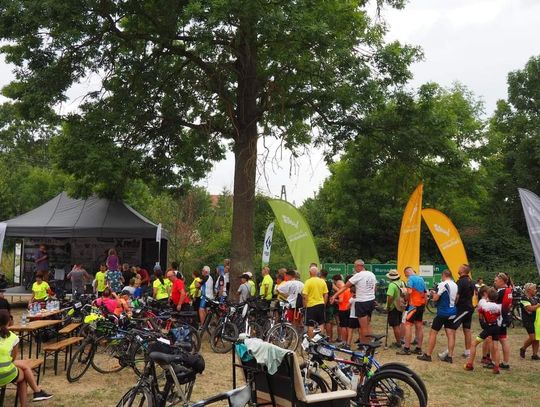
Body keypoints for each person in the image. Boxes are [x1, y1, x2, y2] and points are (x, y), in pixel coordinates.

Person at [0, 310, 53, 403]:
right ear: (9, 321)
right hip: (5, 374)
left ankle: (38, 392)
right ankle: (36, 393)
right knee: (23, 375)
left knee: (23, 366)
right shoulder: (13, 337)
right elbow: (12, 358)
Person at [417, 269, 458, 363]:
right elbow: (456, 298)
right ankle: (450, 357)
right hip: (452, 311)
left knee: (433, 333)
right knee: (450, 334)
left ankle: (428, 355)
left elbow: (435, 298)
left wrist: (433, 293)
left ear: (444, 275)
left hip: (443, 312)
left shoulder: (442, 284)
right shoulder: (455, 284)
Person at [331, 259, 377, 343]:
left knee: (363, 327)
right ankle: (370, 342)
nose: (354, 269)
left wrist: (334, 296)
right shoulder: (372, 274)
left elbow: (345, 286)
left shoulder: (358, 275)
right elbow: (374, 288)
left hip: (362, 302)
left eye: (355, 267)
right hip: (370, 301)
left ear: (359, 266)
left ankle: (366, 345)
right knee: (367, 324)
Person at [465, 287, 501, 374]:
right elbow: (498, 316)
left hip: (488, 328)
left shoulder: (485, 305)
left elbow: (480, 314)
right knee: (496, 348)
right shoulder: (498, 307)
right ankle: (496, 367)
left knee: (474, 344)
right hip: (496, 327)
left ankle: (470, 364)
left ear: (487, 296)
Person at [396, 267, 426, 356]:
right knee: (419, 326)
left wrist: (405, 299)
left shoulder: (410, 279)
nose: (406, 277)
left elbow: (409, 292)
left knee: (408, 325)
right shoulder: (421, 279)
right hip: (421, 305)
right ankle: (419, 348)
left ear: (407, 272)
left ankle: (407, 348)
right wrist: (424, 305)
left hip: (413, 306)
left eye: (406, 275)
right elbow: (425, 293)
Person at [302, 266, 328, 337]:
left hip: (311, 306)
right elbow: (326, 294)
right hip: (321, 304)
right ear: (317, 273)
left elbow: (305, 295)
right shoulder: (322, 281)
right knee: (321, 323)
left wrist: (305, 305)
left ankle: (311, 340)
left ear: (309, 273)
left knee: (311, 325)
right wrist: (324, 304)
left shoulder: (308, 282)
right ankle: (320, 339)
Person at [494, 272, 513, 369]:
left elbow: (496, 305)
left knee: (495, 339)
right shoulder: (508, 289)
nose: (495, 282)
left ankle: (494, 362)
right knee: (503, 339)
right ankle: (505, 362)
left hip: (500, 318)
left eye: (496, 280)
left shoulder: (501, 291)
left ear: (501, 281)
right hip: (505, 317)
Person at [385, 269, 406, 348]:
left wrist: (388, 306)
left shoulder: (392, 285)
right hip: (401, 306)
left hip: (393, 307)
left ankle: (398, 342)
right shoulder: (402, 282)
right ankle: (401, 339)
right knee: (399, 324)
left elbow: (390, 297)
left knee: (395, 325)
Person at [519, 282, 540, 360]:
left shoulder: (536, 298)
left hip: (536, 320)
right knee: (532, 338)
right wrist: (538, 305)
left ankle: (535, 355)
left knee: (537, 338)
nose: (536, 290)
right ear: (529, 290)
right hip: (528, 320)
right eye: (534, 289)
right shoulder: (524, 298)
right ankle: (523, 348)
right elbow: (530, 308)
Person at [333, 274, 350, 345]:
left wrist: (334, 300)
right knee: (348, 326)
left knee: (343, 326)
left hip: (342, 309)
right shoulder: (348, 289)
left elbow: (340, 300)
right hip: (348, 309)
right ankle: (348, 341)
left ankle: (344, 341)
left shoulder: (341, 291)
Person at [321, 269, 336, 341]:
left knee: (321, 322)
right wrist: (333, 296)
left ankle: (321, 339)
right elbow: (338, 289)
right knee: (328, 322)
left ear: (320, 274)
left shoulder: (319, 282)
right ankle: (330, 338)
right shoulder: (330, 283)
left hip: (320, 303)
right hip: (329, 305)